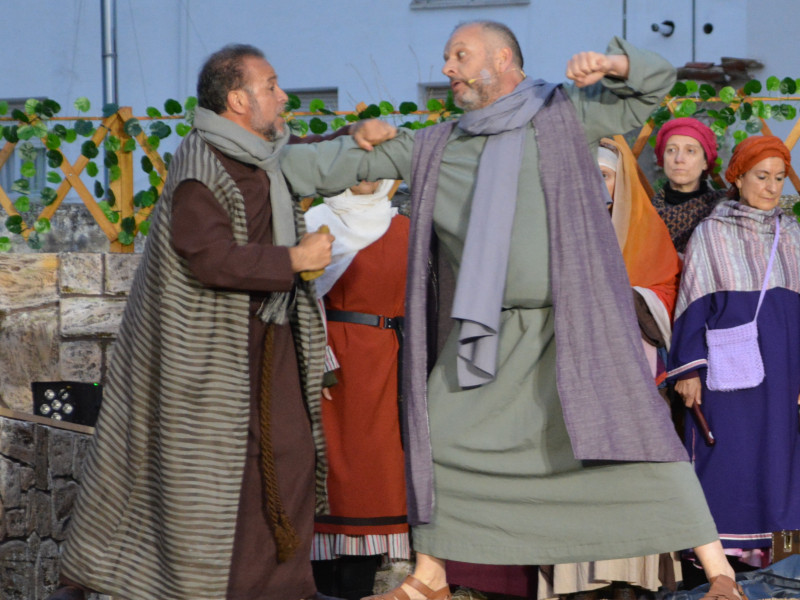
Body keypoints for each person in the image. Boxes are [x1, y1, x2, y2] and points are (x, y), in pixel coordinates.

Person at [280, 21, 745, 600]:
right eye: (446, 57)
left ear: (503, 60)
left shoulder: (564, 115)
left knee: (638, 439)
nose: (447, 67)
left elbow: (654, 85)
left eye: (459, 55)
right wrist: (254, 156)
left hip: (577, 328)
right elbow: (327, 168)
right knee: (441, 438)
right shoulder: (436, 146)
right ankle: (430, 577)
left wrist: (616, 66)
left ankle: (719, 573)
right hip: (488, 334)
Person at [45, 44, 386, 600]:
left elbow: (304, 156)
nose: (283, 97)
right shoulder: (201, 166)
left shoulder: (260, 156)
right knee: (211, 483)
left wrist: (358, 137)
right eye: (272, 86)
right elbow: (208, 256)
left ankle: (284, 588)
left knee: (293, 457)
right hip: (205, 358)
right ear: (237, 99)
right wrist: (293, 260)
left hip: (266, 341)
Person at [538, 137, 684, 600]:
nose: (594, 186)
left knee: (629, 487)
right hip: (568, 381)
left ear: (619, 181)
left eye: (602, 176)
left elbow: (666, 292)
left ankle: (629, 583)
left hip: (631, 384)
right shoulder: (555, 229)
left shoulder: (646, 230)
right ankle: (577, 584)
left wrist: (627, 296)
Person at [669, 135, 800, 562]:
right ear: (738, 178)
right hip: (726, 377)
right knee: (724, 459)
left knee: (783, 465)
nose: (772, 187)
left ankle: (783, 564)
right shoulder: (711, 233)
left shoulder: (794, 234)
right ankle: (717, 569)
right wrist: (688, 370)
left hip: (783, 374)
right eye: (761, 177)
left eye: (780, 178)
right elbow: (691, 303)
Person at [305, 180, 411, 600]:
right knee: (332, 480)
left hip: (389, 364)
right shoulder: (320, 222)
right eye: (358, 168)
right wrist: (319, 364)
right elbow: (301, 297)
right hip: (336, 368)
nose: (365, 180)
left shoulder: (405, 227)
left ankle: (359, 590)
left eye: (375, 170)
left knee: (377, 479)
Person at [651, 117, 728, 254]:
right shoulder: (645, 213)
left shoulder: (722, 210)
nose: (679, 159)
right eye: (671, 150)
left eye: (690, 151)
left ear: (705, 162)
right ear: (662, 159)